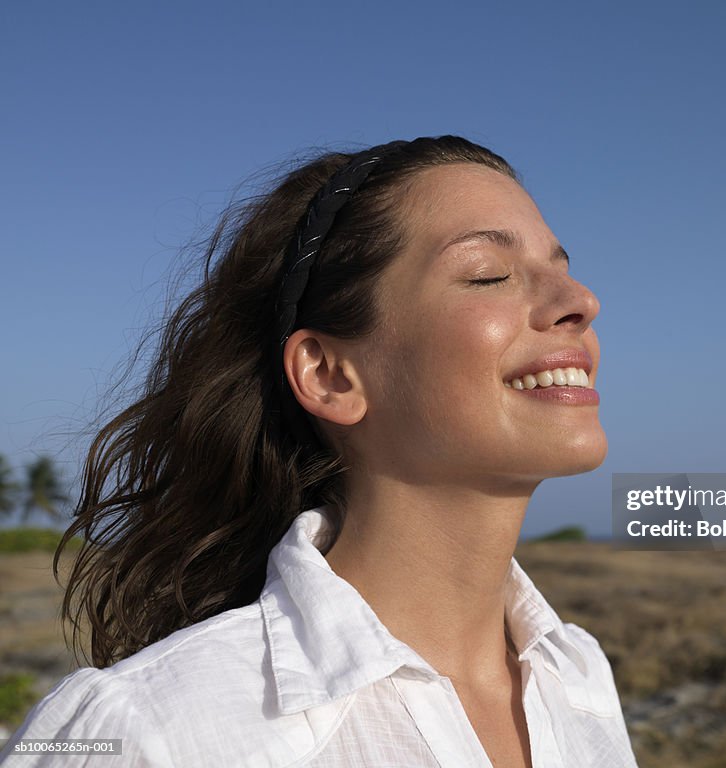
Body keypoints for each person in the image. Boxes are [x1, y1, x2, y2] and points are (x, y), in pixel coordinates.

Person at [0, 137, 637, 767]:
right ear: (330, 374)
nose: (580, 302)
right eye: (486, 275)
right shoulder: (149, 731)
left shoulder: (578, 677)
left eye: (561, 268)